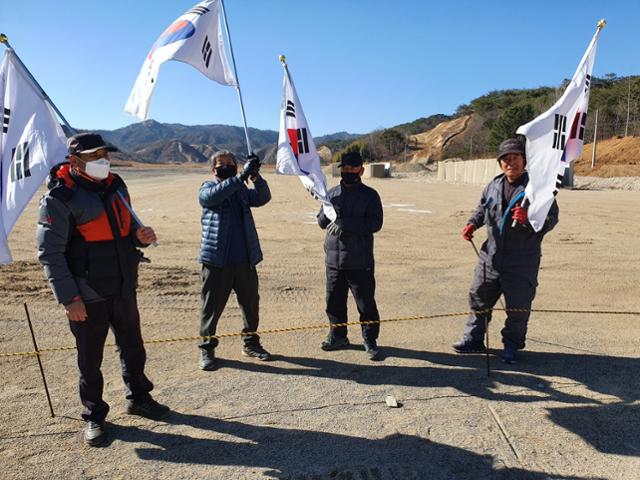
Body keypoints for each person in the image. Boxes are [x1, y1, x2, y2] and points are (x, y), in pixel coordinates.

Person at [36, 133, 170, 447]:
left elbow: (124, 232)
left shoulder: (116, 186)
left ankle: (139, 397)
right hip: (87, 293)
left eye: (104, 155)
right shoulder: (60, 198)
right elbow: (50, 254)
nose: (103, 161)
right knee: (89, 359)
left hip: (123, 285)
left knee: (133, 348)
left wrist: (139, 236)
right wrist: (70, 298)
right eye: (95, 157)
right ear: (74, 161)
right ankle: (94, 415)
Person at [453, 138, 559, 364]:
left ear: (524, 160)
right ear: (500, 163)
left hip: (521, 261)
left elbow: (551, 219)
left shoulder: (538, 189)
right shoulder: (493, 185)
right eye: (506, 159)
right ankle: (473, 339)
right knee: (479, 299)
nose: (511, 163)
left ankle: (511, 346)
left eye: (515, 158)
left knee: (518, 307)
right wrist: (472, 223)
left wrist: (529, 221)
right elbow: (482, 208)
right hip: (490, 257)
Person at [197, 150, 272, 371]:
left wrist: (256, 177)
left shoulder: (241, 191)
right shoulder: (207, 188)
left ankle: (251, 343)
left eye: (231, 163)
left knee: (250, 304)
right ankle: (207, 349)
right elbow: (213, 198)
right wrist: (239, 178)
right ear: (213, 170)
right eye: (222, 164)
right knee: (211, 308)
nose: (227, 166)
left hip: (245, 260)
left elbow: (262, 198)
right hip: (217, 261)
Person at [317, 151, 384, 360]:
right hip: (334, 261)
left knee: (365, 303)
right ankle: (338, 336)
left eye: (352, 168)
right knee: (334, 302)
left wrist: (346, 224)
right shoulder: (331, 193)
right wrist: (324, 213)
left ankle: (370, 339)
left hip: (359, 260)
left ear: (361, 170)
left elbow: (375, 223)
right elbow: (321, 222)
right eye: (344, 167)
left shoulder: (370, 195)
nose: (348, 171)